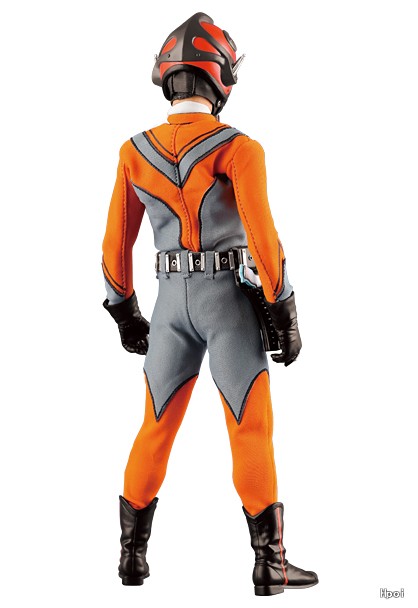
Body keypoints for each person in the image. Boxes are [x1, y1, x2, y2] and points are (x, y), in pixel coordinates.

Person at [102, 12, 318, 596]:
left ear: (166, 78)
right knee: (250, 426)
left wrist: (124, 311)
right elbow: (264, 240)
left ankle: (130, 559)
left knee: (154, 426)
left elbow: (113, 247)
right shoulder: (240, 148)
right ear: (220, 78)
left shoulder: (133, 151)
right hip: (227, 302)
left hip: (168, 304)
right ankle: (270, 564)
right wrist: (284, 311)